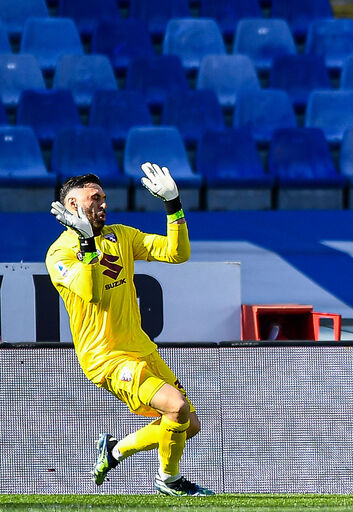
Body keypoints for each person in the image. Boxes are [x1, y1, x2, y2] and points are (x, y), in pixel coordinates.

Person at [46, 164, 213, 496]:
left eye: (104, 198)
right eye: (95, 198)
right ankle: (169, 480)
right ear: (73, 205)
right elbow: (91, 292)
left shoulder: (120, 235)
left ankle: (114, 450)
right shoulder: (59, 253)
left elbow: (178, 253)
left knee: (188, 425)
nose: (104, 204)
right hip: (107, 357)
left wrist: (173, 204)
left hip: (140, 347)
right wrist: (86, 242)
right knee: (176, 407)